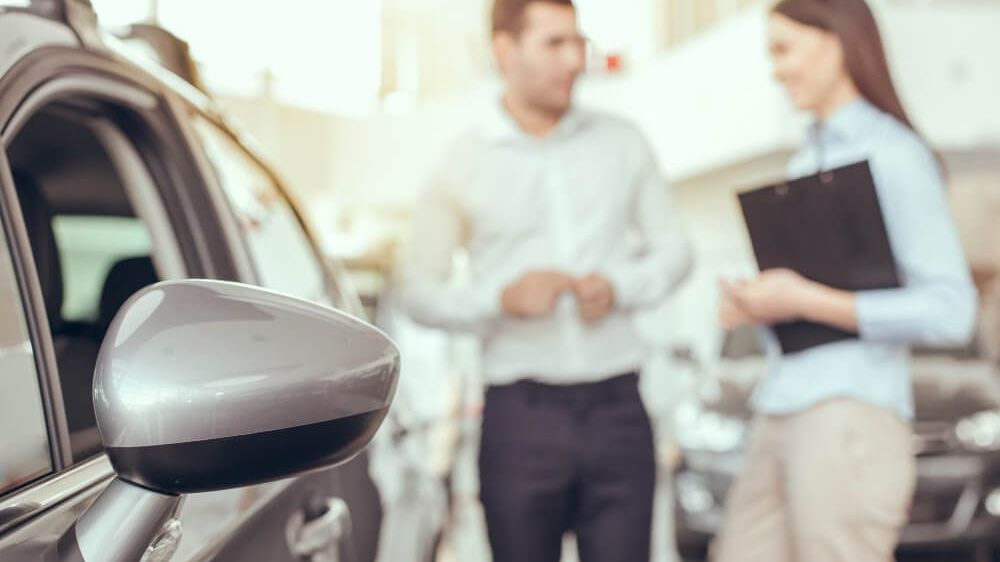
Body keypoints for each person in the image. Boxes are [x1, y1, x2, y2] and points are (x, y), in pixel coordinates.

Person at [397, 0, 692, 559]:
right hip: (519, 420)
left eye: (578, 42)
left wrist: (621, 286)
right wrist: (498, 299)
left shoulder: (623, 142)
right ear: (505, 50)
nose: (574, 59)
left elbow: (676, 250)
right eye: (553, 43)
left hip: (619, 411)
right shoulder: (460, 162)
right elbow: (416, 289)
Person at [713, 1, 978, 561]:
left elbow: (953, 309)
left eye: (783, 49)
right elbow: (802, 308)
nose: (776, 69)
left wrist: (807, 298)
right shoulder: (805, 158)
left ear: (834, 42)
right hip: (781, 404)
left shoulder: (894, 154)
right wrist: (759, 306)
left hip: (849, 415)